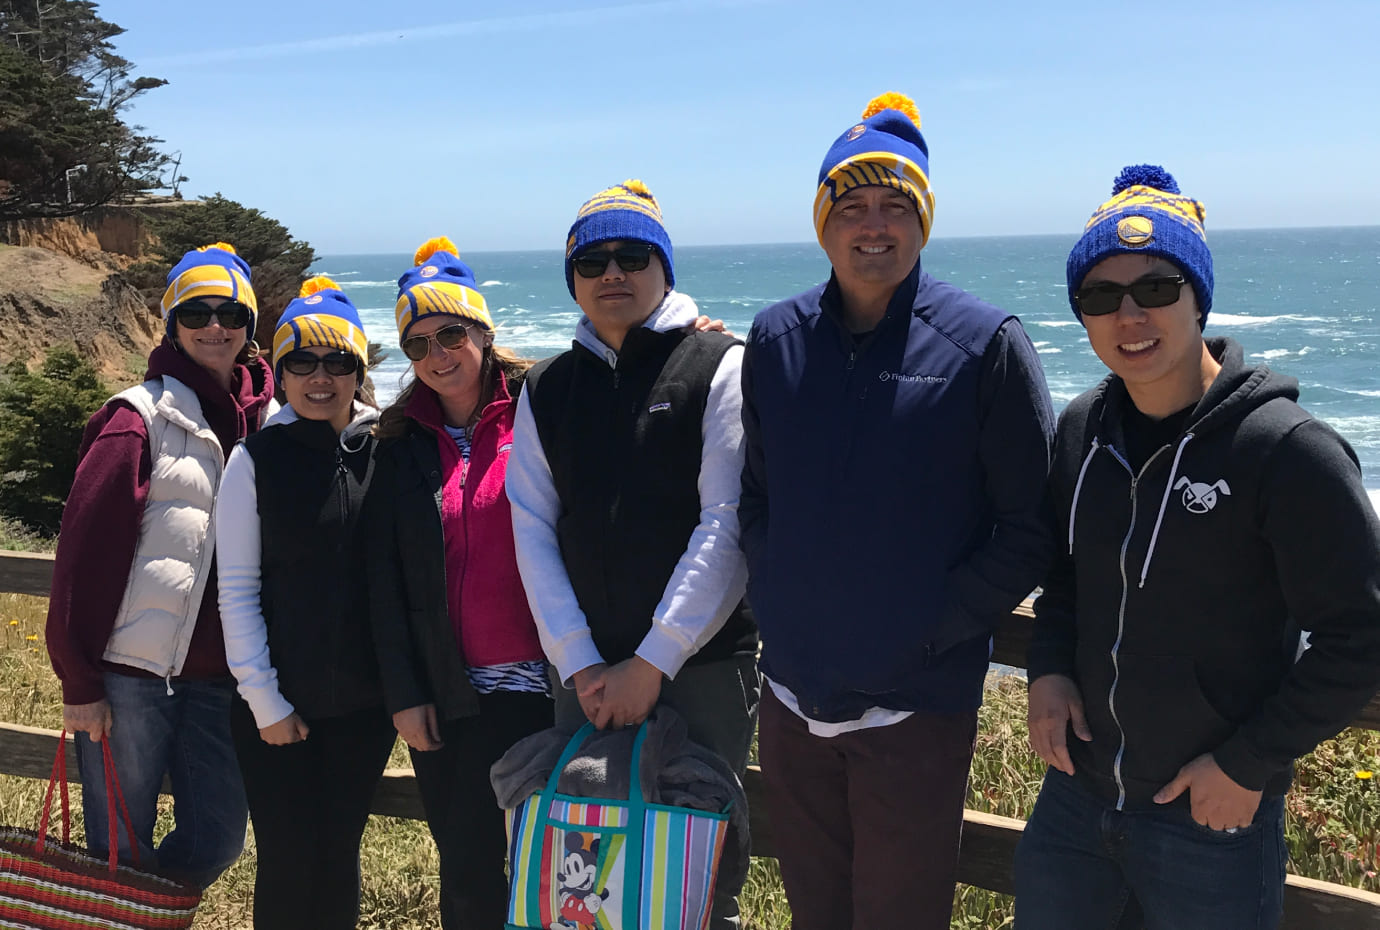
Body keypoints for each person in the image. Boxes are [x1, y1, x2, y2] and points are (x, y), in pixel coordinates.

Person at [1014, 165, 1380, 930]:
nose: (1129, 315)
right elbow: (1064, 577)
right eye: (1100, 296)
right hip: (1077, 803)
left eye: (1155, 289)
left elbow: (1361, 636)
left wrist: (1249, 766)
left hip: (1209, 816)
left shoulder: (1285, 451)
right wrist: (1048, 667)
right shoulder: (1083, 430)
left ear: (1197, 296)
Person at [739, 93, 1055, 930]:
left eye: (895, 205)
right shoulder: (774, 339)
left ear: (922, 221)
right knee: (815, 914)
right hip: (791, 697)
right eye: (851, 206)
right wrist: (776, 597)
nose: (873, 225)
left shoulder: (984, 345)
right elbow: (759, 494)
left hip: (915, 707)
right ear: (823, 223)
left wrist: (931, 626)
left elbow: (1031, 525)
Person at [507, 180, 760, 929]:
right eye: (592, 261)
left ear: (664, 267)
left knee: (697, 883)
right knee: (584, 878)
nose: (611, 272)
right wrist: (581, 661)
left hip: (704, 668)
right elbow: (531, 526)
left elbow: (728, 522)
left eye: (631, 255)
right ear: (574, 280)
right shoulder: (548, 387)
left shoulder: (719, 363)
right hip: (580, 676)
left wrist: (653, 662)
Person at [45, 242, 273, 887]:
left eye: (231, 313)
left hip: (220, 681)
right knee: (118, 847)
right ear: (171, 323)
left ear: (249, 326)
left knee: (219, 837)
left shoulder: (263, 421)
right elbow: (80, 562)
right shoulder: (136, 420)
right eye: (195, 312)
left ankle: (146, 914)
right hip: (131, 679)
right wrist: (80, 684)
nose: (214, 327)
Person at [366, 238, 553, 930]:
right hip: (452, 698)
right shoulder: (398, 442)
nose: (437, 355)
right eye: (417, 346)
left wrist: (690, 335)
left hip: (550, 691)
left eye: (451, 334)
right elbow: (383, 583)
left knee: (559, 874)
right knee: (470, 876)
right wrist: (406, 696)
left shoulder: (546, 408)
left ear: (483, 332)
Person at [216, 277, 394, 928]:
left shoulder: (386, 450)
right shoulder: (254, 459)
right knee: (289, 863)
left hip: (364, 709)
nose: (321, 377)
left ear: (358, 369)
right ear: (281, 372)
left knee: (338, 855)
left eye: (338, 361)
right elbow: (234, 589)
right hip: (275, 709)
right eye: (303, 361)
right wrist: (265, 700)